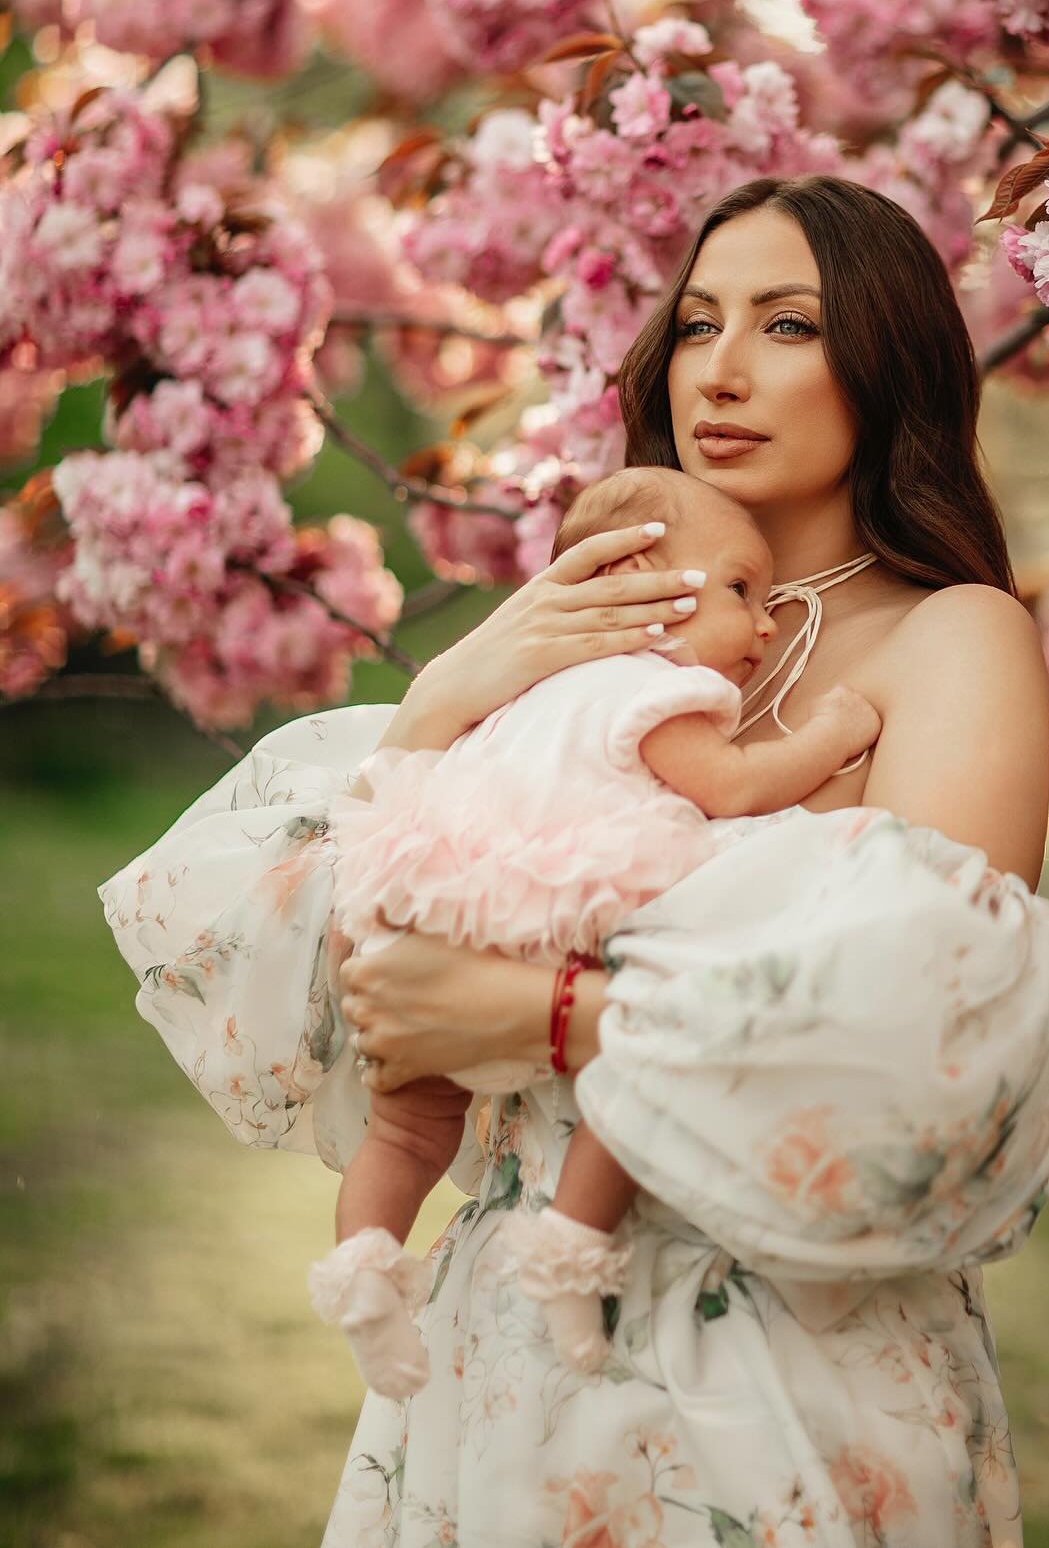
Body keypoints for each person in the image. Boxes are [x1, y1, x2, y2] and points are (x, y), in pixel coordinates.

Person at [99, 174, 1049, 1547]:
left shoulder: (953, 637)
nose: (723, 371)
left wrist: (554, 1017)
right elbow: (359, 970)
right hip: (504, 1343)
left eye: (788, 326)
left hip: (787, 1346)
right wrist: (454, 684)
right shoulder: (584, 627)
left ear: (887, 356)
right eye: (696, 325)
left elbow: (941, 1034)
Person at [310, 465, 880, 1394]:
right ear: (640, 585)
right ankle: (570, 1254)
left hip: (421, 920)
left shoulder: (529, 689)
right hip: (537, 927)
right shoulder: (651, 691)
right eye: (743, 589)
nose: (767, 624)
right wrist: (831, 734)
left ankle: (367, 1275)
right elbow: (731, 788)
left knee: (406, 1135)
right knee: (630, 1070)